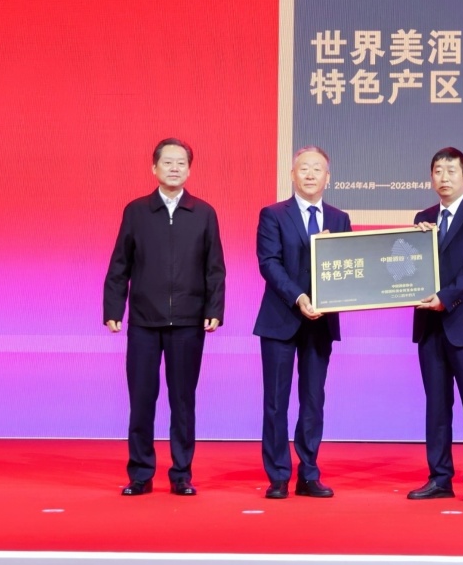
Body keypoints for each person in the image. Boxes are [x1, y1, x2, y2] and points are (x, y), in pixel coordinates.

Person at [103, 138, 225, 497]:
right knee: (141, 399)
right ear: (154, 168)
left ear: (189, 170)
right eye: (167, 162)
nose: (174, 168)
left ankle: (181, 474)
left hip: (188, 322)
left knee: (183, 401)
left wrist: (214, 309)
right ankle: (140, 473)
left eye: (181, 163)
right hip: (144, 321)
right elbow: (120, 263)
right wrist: (113, 308)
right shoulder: (137, 211)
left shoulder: (203, 213)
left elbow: (215, 267)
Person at [253, 146, 350, 499]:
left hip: (321, 322)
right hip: (281, 317)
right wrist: (298, 297)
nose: (310, 174)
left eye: (317, 169)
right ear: (292, 175)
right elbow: (269, 263)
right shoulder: (273, 214)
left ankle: (308, 473)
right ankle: (278, 475)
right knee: (276, 401)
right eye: (303, 168)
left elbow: (350, 266)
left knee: (313, 400)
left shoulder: (339, 218)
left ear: (328, 178)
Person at [407, 148, 463, 502]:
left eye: (451, 171)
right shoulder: (423, 218)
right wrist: (417, 243)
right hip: (430, 326)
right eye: (438, 171)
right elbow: (412, 267)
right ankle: (440, 477)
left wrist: (445, 297)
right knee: (436, 406)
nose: (444, 177)